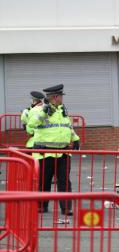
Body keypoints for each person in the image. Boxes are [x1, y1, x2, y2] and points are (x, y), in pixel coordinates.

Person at [26, 84, 80, 215]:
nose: (62, 98)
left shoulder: (62, 110)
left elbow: (66, 126)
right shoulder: (38, 110)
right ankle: (41, 205)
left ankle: (66, 208)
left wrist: (75, 138)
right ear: (55, 97)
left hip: (63, 152)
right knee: (44, 181)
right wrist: (44, 113)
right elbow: (31, 125)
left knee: (64, 181)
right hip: (45, 152)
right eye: (61, 96)